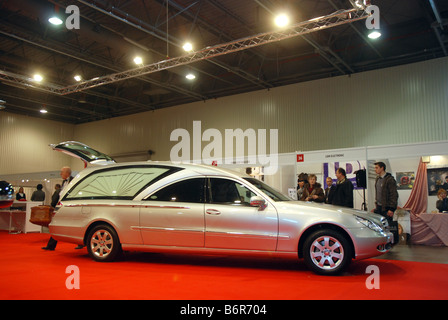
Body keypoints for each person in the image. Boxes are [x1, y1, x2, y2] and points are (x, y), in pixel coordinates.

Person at [42, 167, 82, 251]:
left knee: (75, 223)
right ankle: (51, 245)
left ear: (67, 173)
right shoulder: (64, 181)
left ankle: (81, 243)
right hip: (62, 205)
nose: (60, 174)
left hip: (70, 206)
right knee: (56, 223)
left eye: (62, 172)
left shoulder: (73, 180)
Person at [373, 161, 399, 244]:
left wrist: (391, 209)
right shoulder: (378, 179)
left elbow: (394, 195)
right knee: (380, 226)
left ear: (382, 168)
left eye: (377, 168)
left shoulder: (389, 180)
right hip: (379, 207)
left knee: (388, 226)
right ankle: (382, 242)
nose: (375, 169)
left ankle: (390, 243)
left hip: (387, 208)